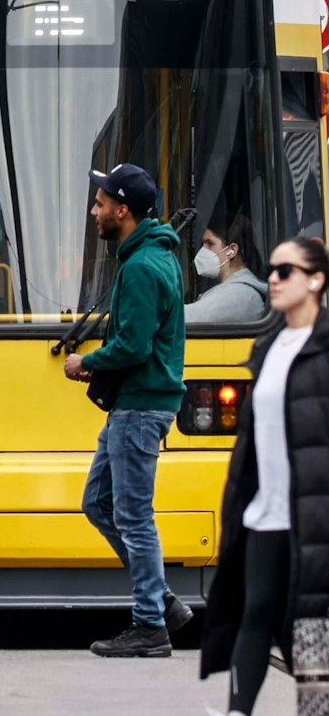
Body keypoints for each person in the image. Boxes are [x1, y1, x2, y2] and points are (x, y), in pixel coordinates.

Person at [64, 163, 193, 657]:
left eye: (100, 204)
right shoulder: (151, 257)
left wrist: (87, 362)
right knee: (97, 503)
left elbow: (134, 345)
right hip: (134, 405)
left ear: (122, 210)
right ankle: (161, 602)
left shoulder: (140, 266)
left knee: (134, 515)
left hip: (140, 406)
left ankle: (149, 626)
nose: (94, 212)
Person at [201, 236, 329, 716]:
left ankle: (316, 711)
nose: (272, 279)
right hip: (265, 514)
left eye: (285, 271)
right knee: (253, 614)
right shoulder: (269, 346)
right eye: (272, 269)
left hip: (313, 518)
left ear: (315, 281)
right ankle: (238, 711)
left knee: (309, 626)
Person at [187, 216, 269, 325]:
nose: (203, 250)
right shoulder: (233, 289)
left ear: (231, 251)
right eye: (203, 244)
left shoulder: (239, 295)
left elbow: (186, 319)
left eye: (210, 244)